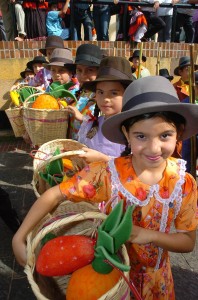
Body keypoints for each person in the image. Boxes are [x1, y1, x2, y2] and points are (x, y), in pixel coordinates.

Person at [12, 76, 198, 300]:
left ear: (178, 133)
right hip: (109, 278)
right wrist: (19, 237)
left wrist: (147, 234)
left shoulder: (182, 182)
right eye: (141, 136)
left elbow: (187, 242)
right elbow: (54, 194)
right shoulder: (107, 174)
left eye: (165, 135)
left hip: (157, 281)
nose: (154, 147)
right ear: (126, 135)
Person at [66, 56, 133, 163]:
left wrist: (103, 159)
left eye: (114, 93)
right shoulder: (90, 125)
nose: (105, 99)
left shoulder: (133, 130)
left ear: (127, 94)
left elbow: (134, 165)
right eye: (101, 92)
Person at [67, 43, 103, 140]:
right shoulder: (78, 93)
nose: (83, 75)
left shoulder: (102, 97)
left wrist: (81, 118)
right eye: (79, 70)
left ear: (99, 72)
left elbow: (104, 125)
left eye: (89, 70)